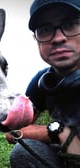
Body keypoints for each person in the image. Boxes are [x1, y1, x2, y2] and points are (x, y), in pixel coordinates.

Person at [5, 0, 80, 167]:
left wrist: (57, 131)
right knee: (24, 152)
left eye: (70, 24)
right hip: (67, 156)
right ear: (36, 39)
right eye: (45, 30)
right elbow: (16, 130)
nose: (58, 38)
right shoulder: (42, 82)